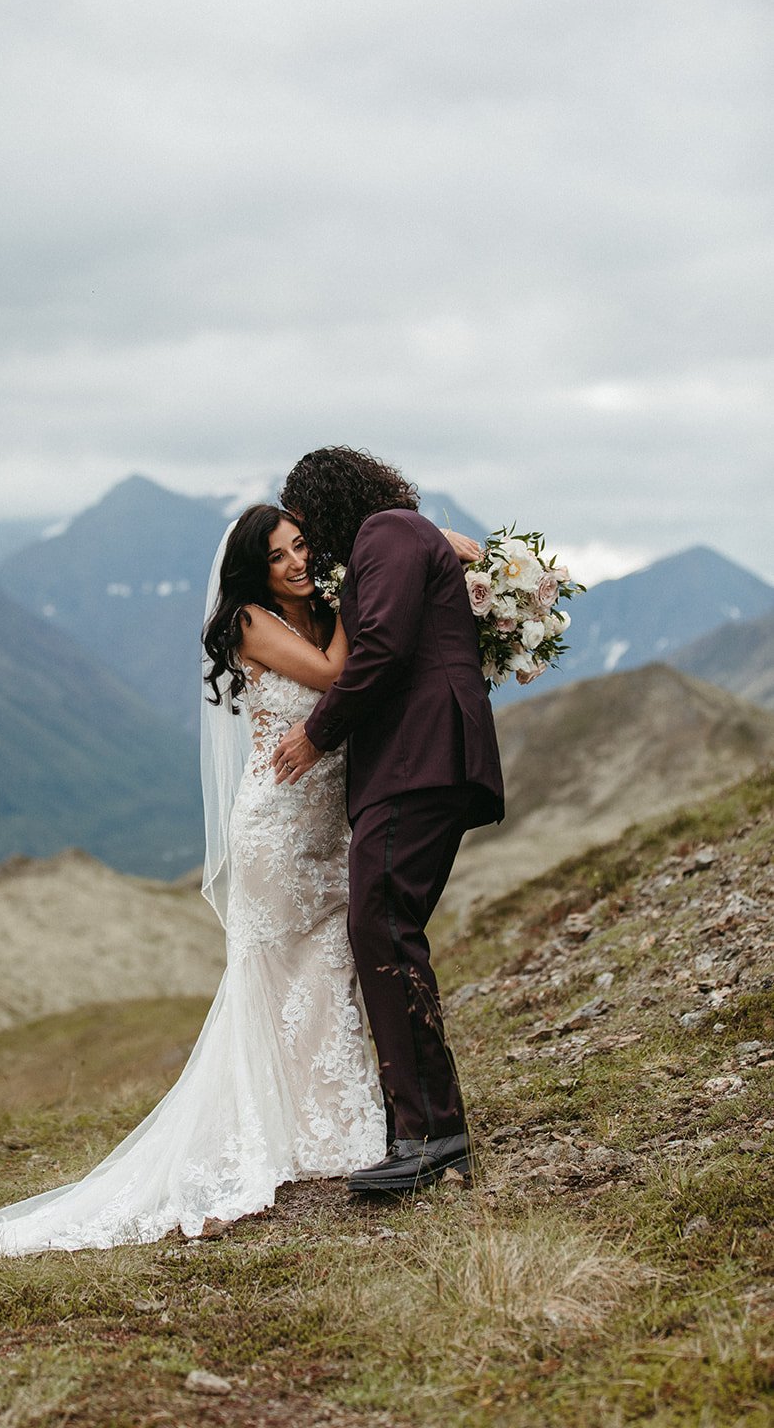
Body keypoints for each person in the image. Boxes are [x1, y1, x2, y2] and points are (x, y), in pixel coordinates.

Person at [0, 503, 385, 1286]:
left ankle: (330, 1128)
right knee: (268, 985)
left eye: (303, 547)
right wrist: (360, 597)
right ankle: (269, 1135)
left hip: (325, 833)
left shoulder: (322, 612)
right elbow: (336, 678)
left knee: (325, 974)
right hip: (274, 834)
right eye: (279, 555)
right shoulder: (250, 621)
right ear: (253, 570)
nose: (297, 562)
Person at [271, 448, 505, 1196]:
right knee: (385, 926)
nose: (310, 548)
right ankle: (431, 1134)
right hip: (421, 759)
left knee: (379, 922)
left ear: (331, 504)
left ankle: (427, 1137)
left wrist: (316, 733)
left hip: (418, 756)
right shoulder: (401, 532)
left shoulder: (388, 532)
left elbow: (382, 649)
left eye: (307, 530)